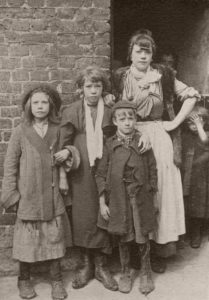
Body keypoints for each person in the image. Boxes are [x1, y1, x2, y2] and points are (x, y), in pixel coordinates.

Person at [114, 29, 200, 273]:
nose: (143, 55)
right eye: (138, 50)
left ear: (153, 55)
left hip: (158, 135)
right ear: (130, 53)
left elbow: (191, 95)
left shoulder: (163, 75)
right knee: (133, 189)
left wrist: (174, 123)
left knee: (159, 191)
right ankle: (133, 249)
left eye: (147, 51)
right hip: (129, 134)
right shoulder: (120, 76)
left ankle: (157, 250)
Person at [0, 85, 79, 300]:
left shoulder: (59, 129)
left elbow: (71, 150)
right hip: (29, 193)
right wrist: (11, 194)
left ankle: (56, 278)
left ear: (51, 105)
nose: (40, 106)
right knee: (27, 237)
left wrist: (67, 153)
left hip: (52, 192)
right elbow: (10, 165)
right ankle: (23, 279)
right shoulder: (20, 131)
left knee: (54, 234)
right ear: (29, 106)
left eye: (44, 102)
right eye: (35, 102)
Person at [58, 66, 119, 291]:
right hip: (80, 169)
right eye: (89, 86)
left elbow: (119, 133)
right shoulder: (72, 110)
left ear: (103, 88)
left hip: (106, 164)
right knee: (84, 215)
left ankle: (102, 265)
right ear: (80, 89)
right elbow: (63, 143)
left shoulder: (111, 109)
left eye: (98, 86)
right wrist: (64, 170)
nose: (93, 91)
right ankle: (86, 265)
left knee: (106, 212)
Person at [95, 101, 157, 295]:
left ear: (136, 120)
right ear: (115, 121)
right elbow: (101, 174)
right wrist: (102, 201)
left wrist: (153, 195)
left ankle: (146, 272)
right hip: (119, 197)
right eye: (122, 119)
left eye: (131, 118)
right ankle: (125, 272)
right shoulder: (110, 144)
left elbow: (153, 170)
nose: (127, 123)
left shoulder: (143, 142)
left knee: (142, 234)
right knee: (123, 234)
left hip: (140, 197)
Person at [182, 105, 209, 248]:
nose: (193, 126)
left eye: (198, 122)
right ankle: (191, 231)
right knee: (189, 204)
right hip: (189, 175)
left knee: (201, 203)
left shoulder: (206, 134)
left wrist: (200, 126)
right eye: (190, 123)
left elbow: (205, 141)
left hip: (203, 176)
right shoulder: (184, 136)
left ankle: (197, 232)